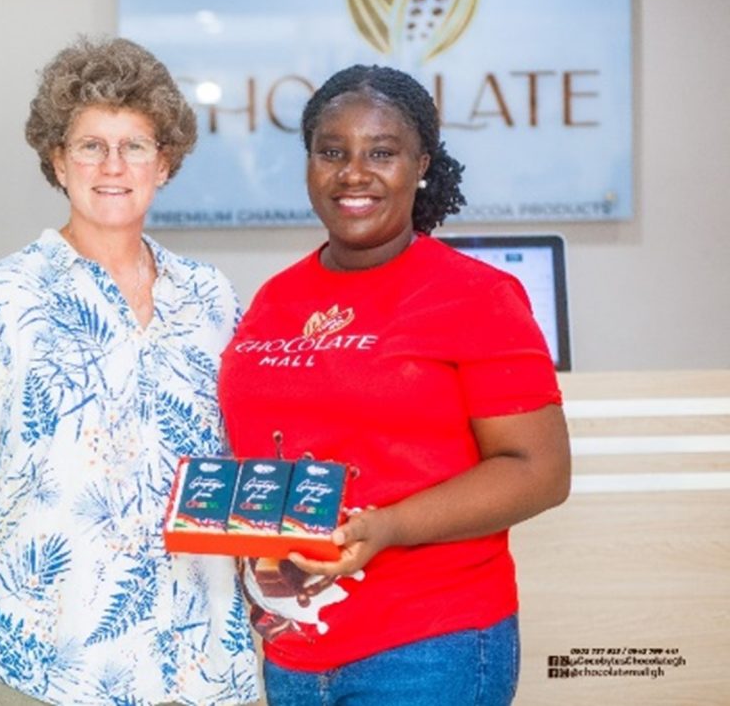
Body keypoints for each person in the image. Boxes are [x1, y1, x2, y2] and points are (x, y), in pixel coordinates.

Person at [0, 36, 258, 706]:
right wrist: (43, 606)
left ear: (164, 163)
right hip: (56, 676)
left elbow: (238, 459)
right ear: (57, 160)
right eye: (90, 145)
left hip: (204, 672)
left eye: (135, 145)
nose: (113, 165)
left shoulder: (210, 298)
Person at [217, 65, 571, 705]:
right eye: (332, 152)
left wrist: (389, 527)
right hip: (291, 647)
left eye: (381, 153)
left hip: (428, 645)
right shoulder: (274, 299)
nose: (353, 173)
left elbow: (539, 471)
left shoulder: (477, 295)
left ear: (421, 165)